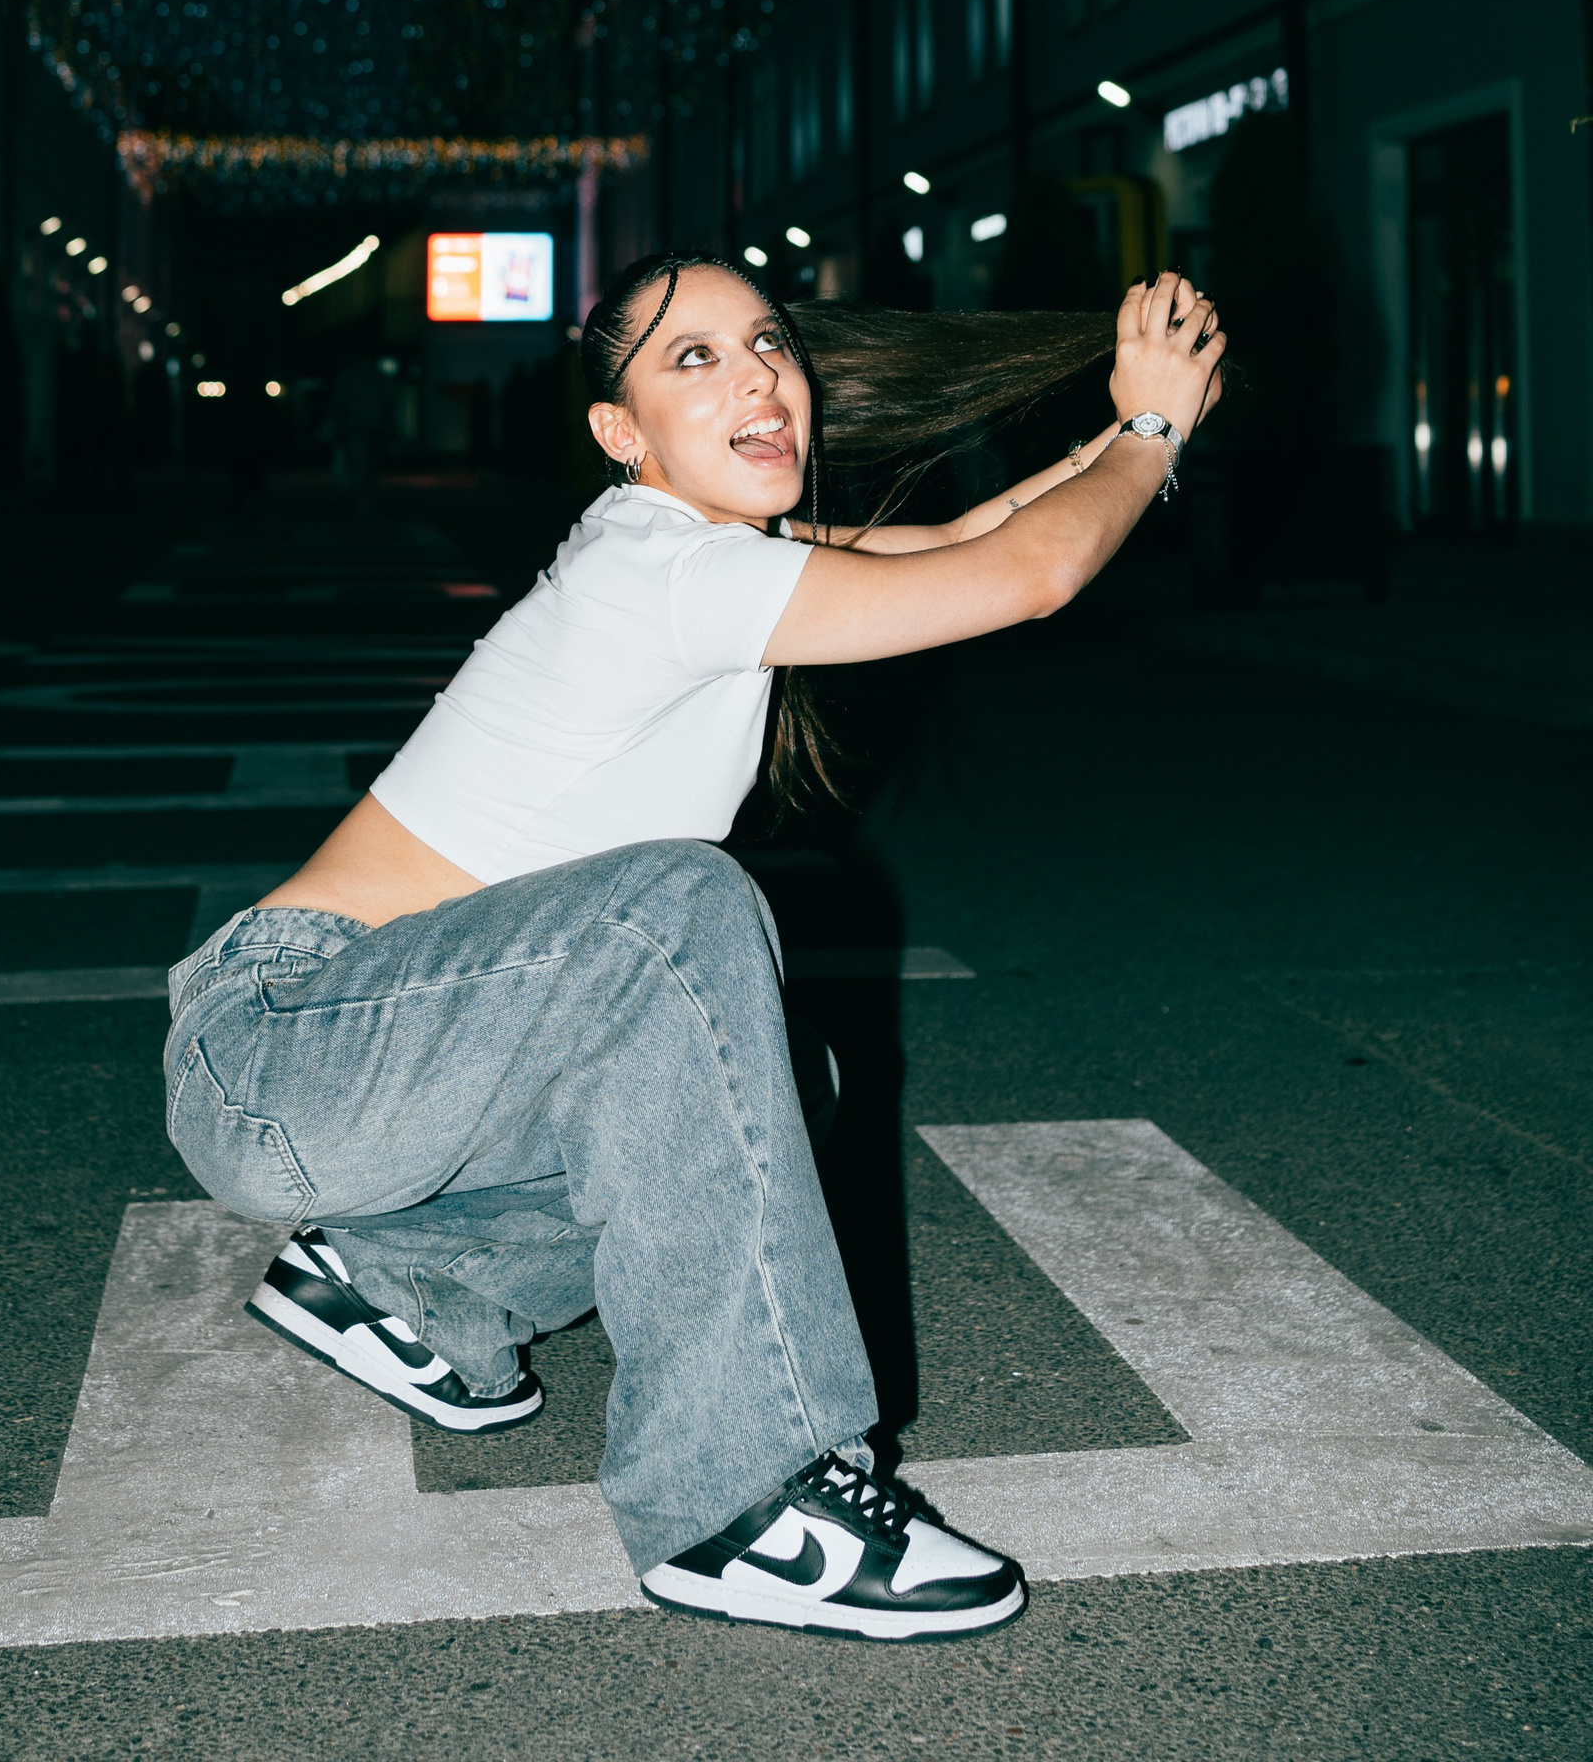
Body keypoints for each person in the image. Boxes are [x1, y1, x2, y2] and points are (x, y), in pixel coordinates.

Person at [164, 254, 1224, 1642]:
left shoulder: (711, 557)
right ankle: (743, 1500)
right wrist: (1147, 430)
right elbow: (1030, 577)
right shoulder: (661, 569)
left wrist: (1140, 425)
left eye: (769, 344)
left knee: (779, 1069)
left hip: (375, 1068)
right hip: (288, 1045)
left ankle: (409, 1285)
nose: (758, 378)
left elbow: (977, 533)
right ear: (623, 431)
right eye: (695, 359)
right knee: (681, 912)